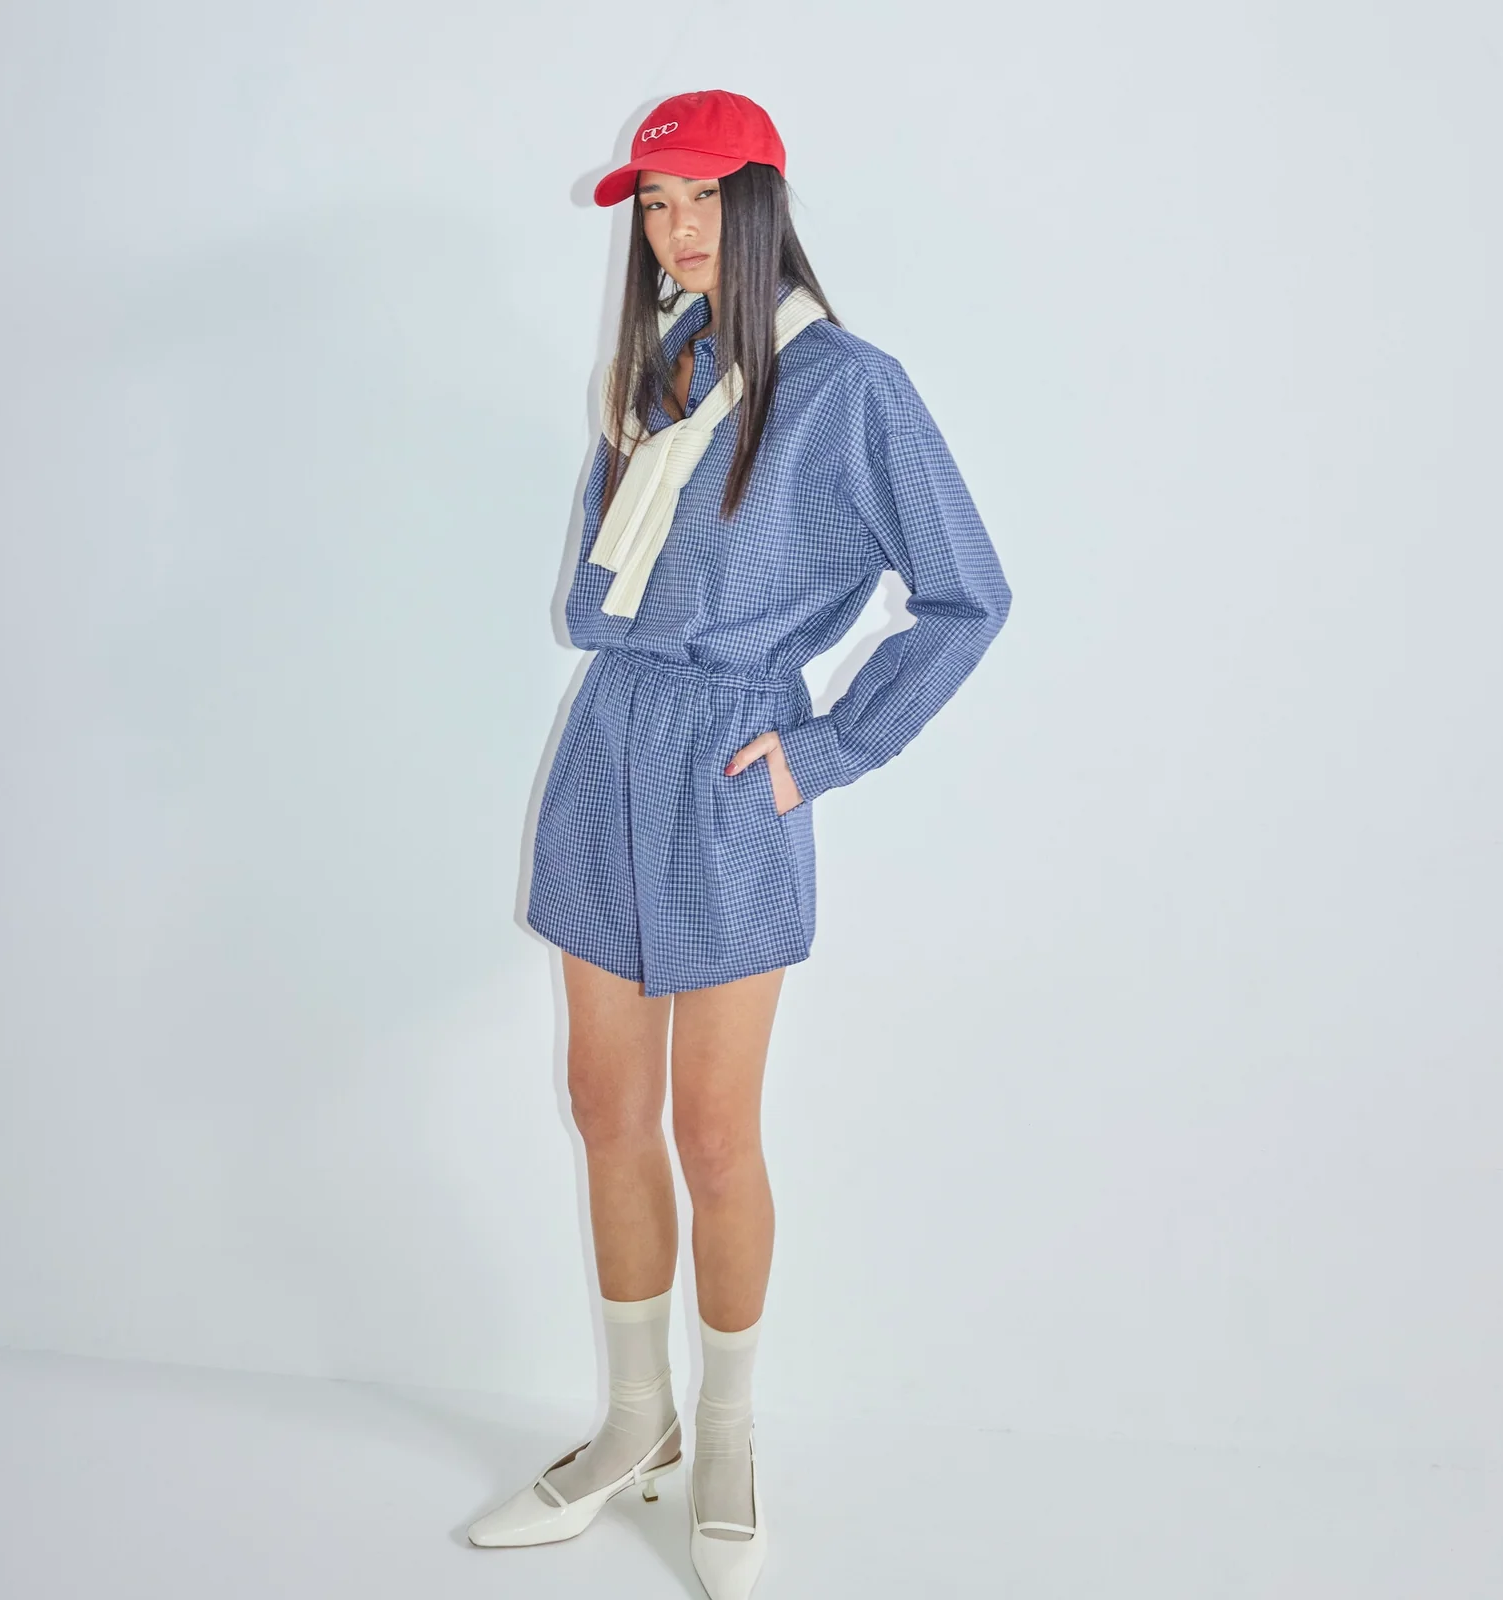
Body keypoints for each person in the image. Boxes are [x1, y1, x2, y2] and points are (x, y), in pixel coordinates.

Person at [467, 89, 1012, 1599]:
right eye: (654, 203)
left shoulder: (850, 388)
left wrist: (823, 752)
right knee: (604, 1106)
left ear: (763, 201)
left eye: (703, 197)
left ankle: (724, 1435)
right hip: (606, 751)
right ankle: (633, 1419)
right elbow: (613, 581)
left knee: (715, 1132)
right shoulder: (656, 373)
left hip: (728, 765)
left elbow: (967, 595)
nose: (675, 227)